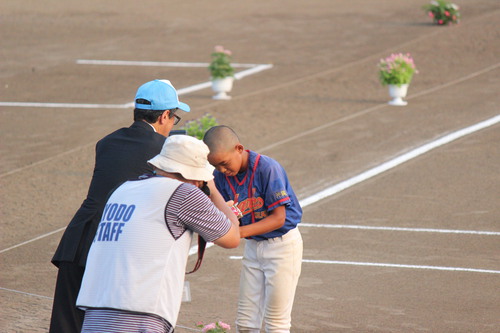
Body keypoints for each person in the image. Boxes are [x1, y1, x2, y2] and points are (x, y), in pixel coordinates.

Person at [49, 79, 190, 333]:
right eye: (173, 119)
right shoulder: (163, 152)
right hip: (113, 247)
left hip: (78, 240)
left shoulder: (107, 142)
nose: (171, 126)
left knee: (66, 325)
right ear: (165, 115)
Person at [76, 135, 240, 332]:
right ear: (197, 177)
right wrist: (212, 191)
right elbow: (232, 238)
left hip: (95, 309)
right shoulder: (185, 193)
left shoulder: (123, 189)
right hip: (141, 314)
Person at [203, 125, 303, 333]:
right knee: (246, 323)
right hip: (253, 246)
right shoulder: (220, 176)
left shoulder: (267, 168)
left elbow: (278, 219)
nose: (222, 170)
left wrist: (235, 233)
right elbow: (223, 212)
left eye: (224, 163)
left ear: (239, 148)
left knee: (276, 322)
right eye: (216, 166)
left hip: (282, 247)